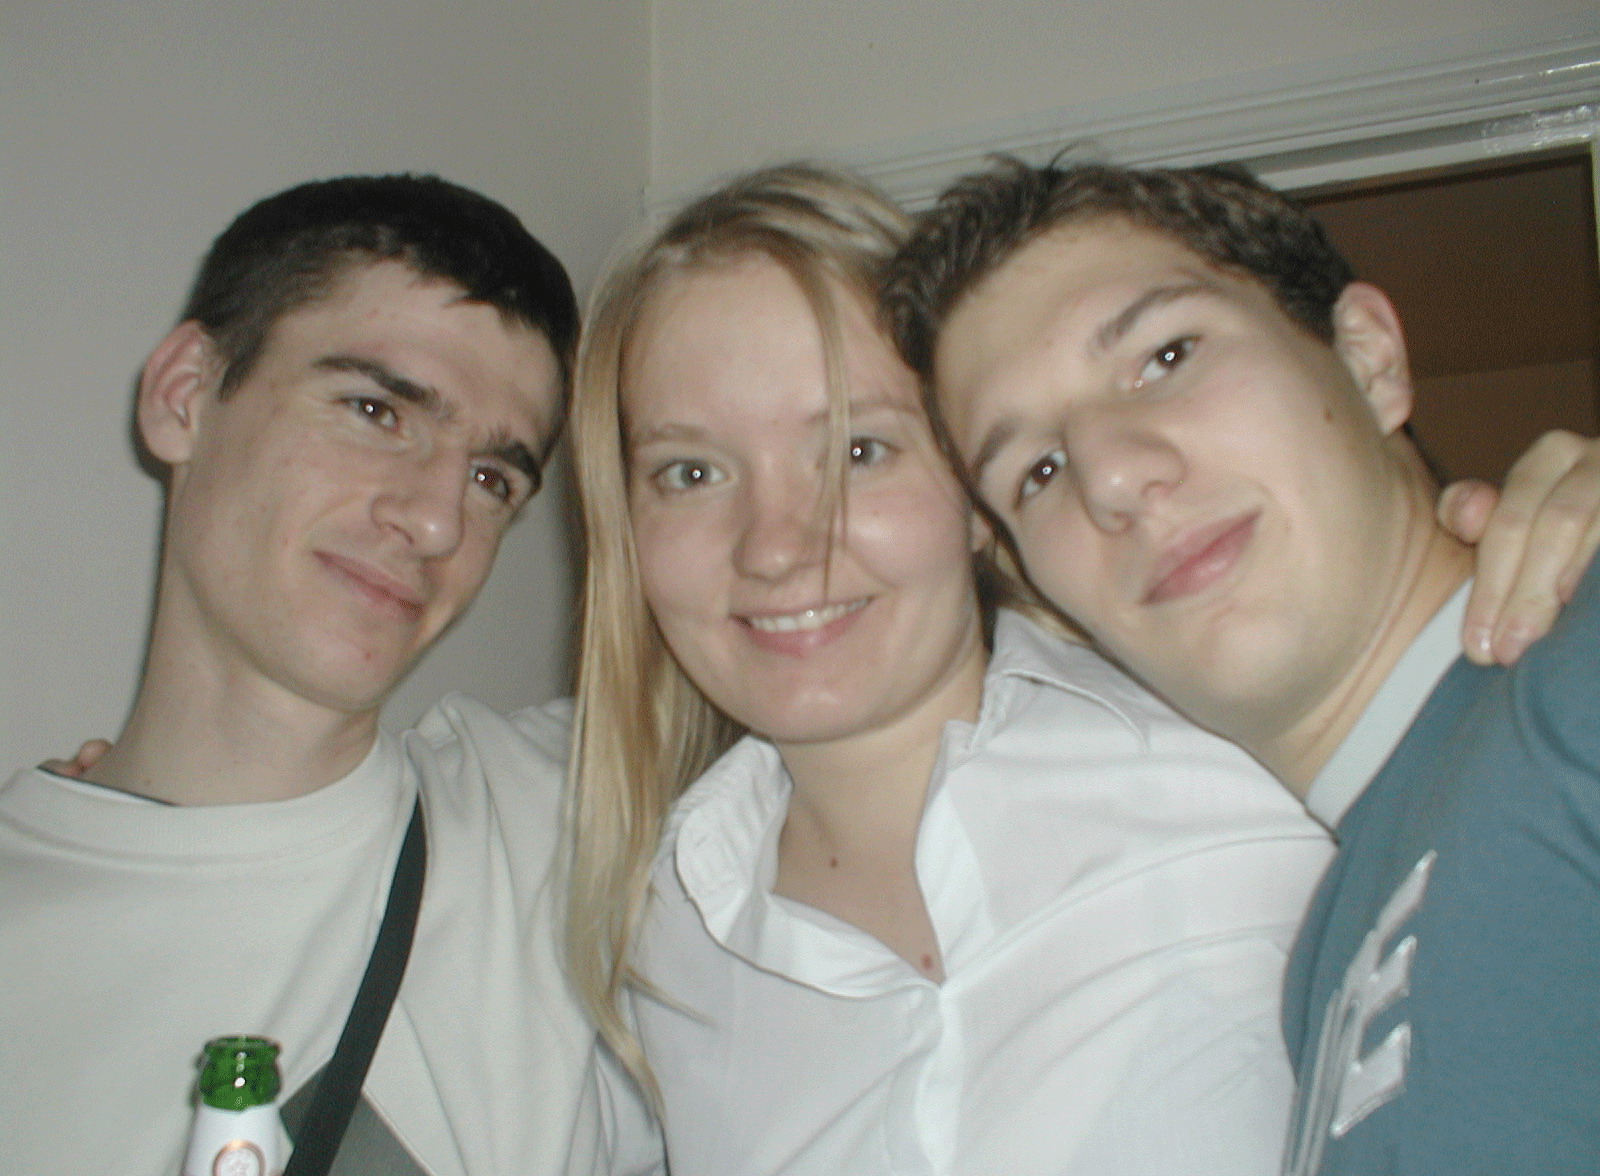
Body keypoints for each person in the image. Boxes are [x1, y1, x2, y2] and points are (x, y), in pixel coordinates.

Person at [560, 163, 1591, 1176]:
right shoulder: (651, 938)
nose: (777, 547)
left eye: (860, 450)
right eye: (689, 472)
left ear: (972, 508)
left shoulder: (1233, 746)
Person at [884, 157, 1600, 1175]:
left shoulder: (1572, 680)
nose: (1110, 477)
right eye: (1037, 470)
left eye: (1166, 355)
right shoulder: (1321, 967)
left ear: (1366, 359)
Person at [0, 175, 608, 1176]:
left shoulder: (566, 827)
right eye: (376, 409)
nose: (437, 521)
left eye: (491, 478)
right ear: (185, 397)